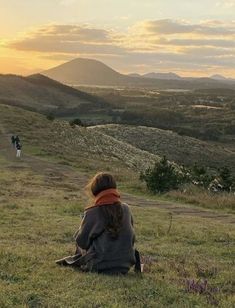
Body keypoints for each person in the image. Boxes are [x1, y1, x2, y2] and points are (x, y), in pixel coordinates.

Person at [56, 172, 139, 274]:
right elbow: (131, 239)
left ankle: (78, 260)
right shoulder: (126, 209)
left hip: (99, 266)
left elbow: (82, 242)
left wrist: (83, 225)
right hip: (124, 266)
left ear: (95, 190)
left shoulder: (92, 212)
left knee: (82, 240)